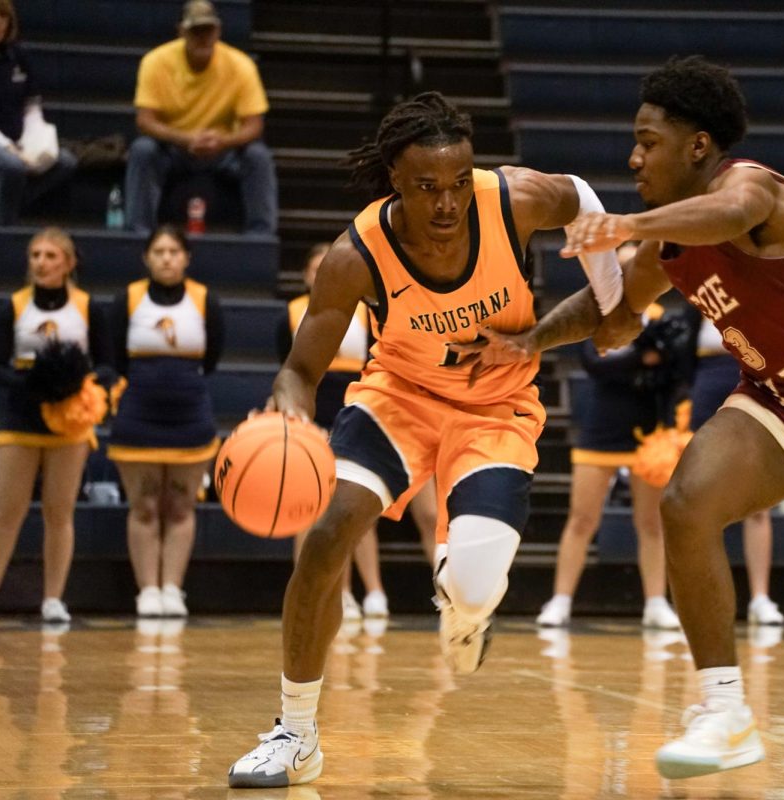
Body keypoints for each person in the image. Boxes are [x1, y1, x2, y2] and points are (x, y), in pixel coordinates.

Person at [468, 56, 784, 792]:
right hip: (780, 403)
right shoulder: (671, 245)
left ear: (698, 146)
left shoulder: (758, 190)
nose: (633, 158)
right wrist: (531, 341)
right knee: (686, 503)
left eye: (647, 141)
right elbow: (614, 311)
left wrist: (623, 222)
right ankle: (725, 710)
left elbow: (731, 214)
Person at [226, 91, 624, 788]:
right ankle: (296, 732)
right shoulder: (356, 255)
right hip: (398, 401)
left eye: (457, 185)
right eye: (427, 188)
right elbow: (299, 371)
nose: (447, 204)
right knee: (326, 536)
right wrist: (287, 415)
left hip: (498, 407)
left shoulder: (512, 201)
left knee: (473, 587)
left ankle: (464, 615)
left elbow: (585, 195)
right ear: (396, 184)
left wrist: (611, 295)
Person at [536, 244, 683, 631]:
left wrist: (642, 362)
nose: (631, 272)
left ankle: (655, 602)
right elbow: (594, 361)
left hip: (647, 430)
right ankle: (560, 601)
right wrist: (642, 360)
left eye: (636, 265)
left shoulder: (658, 317)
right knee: (582, 519)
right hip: (601, 427)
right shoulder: (598, 312)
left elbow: (670, 372)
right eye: (622, 265)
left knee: (651, 522)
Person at [106, 224, 223, 618]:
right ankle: (147, 591)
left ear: (187, 257)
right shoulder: (128, 299)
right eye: (159, 251)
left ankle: (172, 588)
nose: (167, 258)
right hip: (138, 415)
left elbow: (212, 358)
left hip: (190, 416)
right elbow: (114, 358)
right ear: (147, 258)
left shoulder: (206, 300)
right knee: (143, 506)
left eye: (174, 251)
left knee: (179, 507)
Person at [0, 227, 111, 623]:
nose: (40, 262)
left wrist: (78, 384)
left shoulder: (87, 307)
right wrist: (33, 384)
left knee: (59, 511)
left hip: (70, 418)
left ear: (69, 262)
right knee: (5, 512)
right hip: (20, 414)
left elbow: (108, 362)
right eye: (35, 255)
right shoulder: (12, 305)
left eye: (50, 255)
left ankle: (52, 599)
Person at [279, 242, 391, 621]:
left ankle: (371, 590)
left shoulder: (366, 311)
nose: (320, 273)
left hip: (354, 415)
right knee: (308, 511)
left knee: (355, 509)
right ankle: (320, 592)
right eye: (314, 268)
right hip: (311, 417)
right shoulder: (293, 314)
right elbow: (291, 371)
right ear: (306, 275)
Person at [124, 0, 276, 235]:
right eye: (196, 30)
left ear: (218, 31)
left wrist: (223, 141)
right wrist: (185, 139)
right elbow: (145, 120)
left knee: (258, 156)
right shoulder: (155, 62)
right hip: (174, 148)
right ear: (181, 31)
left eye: (208, 30)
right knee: (143, 150)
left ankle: (261, 234)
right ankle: (139, 232)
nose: (202, 37)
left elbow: (254, 126)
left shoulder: (240, 65)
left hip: (222, 150)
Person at [685, 311, 784, 626]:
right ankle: (698, 597)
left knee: (759, 502)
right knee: (698, 499)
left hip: (752, 388)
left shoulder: (755, 294)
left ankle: (760, 598)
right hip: (706, 389)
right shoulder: (699, 300)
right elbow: (685, 354)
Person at [0, 0, 78, 226]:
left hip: (17, 139)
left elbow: (32, 106)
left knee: (65, 162)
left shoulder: (18, 56)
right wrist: (8, 148)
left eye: (3, 17)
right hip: (1, 144)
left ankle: (7, 204)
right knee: (12, 166)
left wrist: (35, 145)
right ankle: (5, 228)